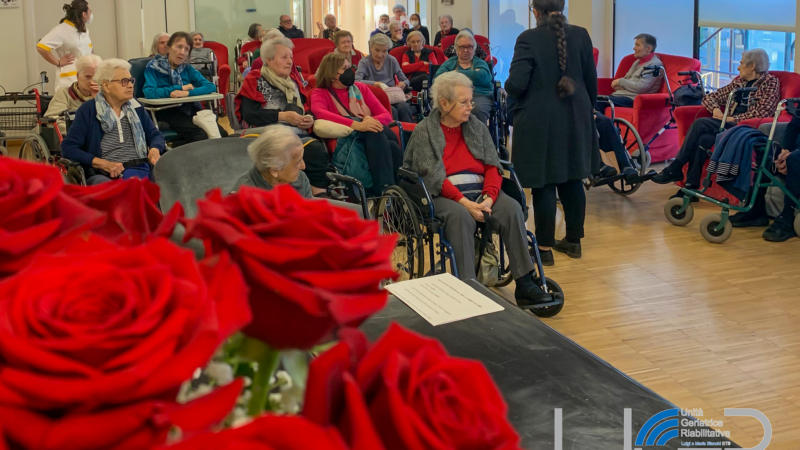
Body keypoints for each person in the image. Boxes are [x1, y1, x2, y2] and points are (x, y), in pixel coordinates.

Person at [402, 71, 550, 305]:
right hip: (443, 193)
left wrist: (489, 198)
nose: (471, 106)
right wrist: (464, 201)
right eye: (464, 102)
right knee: (460, 218)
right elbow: (432, 176)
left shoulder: (476, 127)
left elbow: (493, 165)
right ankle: (468, 286)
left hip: (482, 191)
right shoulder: (425, 131)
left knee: (511, 208)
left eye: (471, 101)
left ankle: (524, 282)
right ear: (444, 103)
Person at [505, 0, 599, 266]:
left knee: (544, 183)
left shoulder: (528, 38)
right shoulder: (581, 34)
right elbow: (591, 81)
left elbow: (518, 82)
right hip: (576, 116)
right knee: (572, 178)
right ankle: (573, 241)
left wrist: (508, 88)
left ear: (535, 10)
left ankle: (544, 248)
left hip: (539, 120)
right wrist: (583, 110)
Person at [652, 48, 780, 199]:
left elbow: (764, 112)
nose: (738, 68)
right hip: (729, 125)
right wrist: (715, 110)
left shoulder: (770, 82)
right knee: (702, 140)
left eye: (741, 63)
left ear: (752, 66)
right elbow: (709, 97)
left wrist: (732, 119)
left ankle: (676, 166)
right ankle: (691, 188)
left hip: (746, 129)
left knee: (700, 124)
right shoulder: (739, 82)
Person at [235, 37, 329, 195]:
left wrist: (308, 118)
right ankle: (315, 195)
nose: (290, 61)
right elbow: (250, 115)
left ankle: (317, 197)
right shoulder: (255, 79)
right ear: (269, 60)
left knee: (317, 147)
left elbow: (306, 108)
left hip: (297, 133)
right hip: (268, 135)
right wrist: (283, 116)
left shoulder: (293, 82)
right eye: (284, 57)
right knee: (313, 150)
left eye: (291, 57)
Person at [61, 59, 165, 185]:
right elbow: (68, 148)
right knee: (110, 190)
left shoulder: (136, 107)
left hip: (140, 168)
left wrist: (154, 149)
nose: (131, 85)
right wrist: (103, 164)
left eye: (131, 81)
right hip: (104, 173)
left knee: (170, 182)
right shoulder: (89, 110)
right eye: (124, 81)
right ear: (106, 85)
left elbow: (155, 135)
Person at [311, 52, 402, 193]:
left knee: (391, 145)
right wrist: (357, 124)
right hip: (343, 138)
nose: (350, 71)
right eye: (344, 69)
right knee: (375, 132)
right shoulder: (320, 93)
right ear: (332, 73)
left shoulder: (361, 88)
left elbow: (386, 115)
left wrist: (368, 119)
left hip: (372, 134)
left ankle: (392, 192)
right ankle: (386, 191)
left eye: (350, 67)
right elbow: (320, 113)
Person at [143, 31, 229, 144]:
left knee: (223, 134)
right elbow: (149, 92)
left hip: (189, 108)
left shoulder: (187, 68)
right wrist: (179, 89)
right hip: (167, 111)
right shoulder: (153, 67)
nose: (182, 52)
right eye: (179, 47)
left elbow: (210, 86)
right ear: (168, 48)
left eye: (186, 49)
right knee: (201, 136)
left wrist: (188, 93)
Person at [726, 115, 800, 242]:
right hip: (794, 151)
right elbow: (794, 125)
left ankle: (787, 218)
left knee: (794, 159)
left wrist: (792, 155)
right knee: (767, 150)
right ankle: (756, 210)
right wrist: (784, 152)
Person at [232, 125, 313, 198]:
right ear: (274, 170)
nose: (303, 166)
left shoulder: (300, 179)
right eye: (297, 163)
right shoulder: (242, 198)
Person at [434, 31, 493, 124]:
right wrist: (473, 74)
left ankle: (478, 137)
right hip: (453, 97)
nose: (465, 50)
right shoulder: (450, 63)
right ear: (456, 48)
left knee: (476, 109)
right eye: (462, 47)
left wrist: (453, 73)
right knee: (444, 108)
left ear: (474, 48)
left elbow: (483, 77)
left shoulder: (480, 63)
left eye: (469, 47)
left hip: (478, 95)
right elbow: (437, 79)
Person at [356, 33, 414, 123]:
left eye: (384, 51)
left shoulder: (391, 60)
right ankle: (396, 135)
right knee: (392, 111)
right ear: (370, 48)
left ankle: (410, 135)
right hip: (375, 97)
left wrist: (404, 83)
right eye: (377, 50)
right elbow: (357, 81)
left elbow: (405, 79)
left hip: (392, 96)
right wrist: (377, 84)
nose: (380, 54)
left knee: (405, 108)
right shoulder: (364, 62)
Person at [36, 0, 94, 90]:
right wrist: (58, 62)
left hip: (85, 78)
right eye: (90, 11)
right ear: (84, 14)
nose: (91, 14)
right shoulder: (61, 30)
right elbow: (41, 47)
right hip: (69, 80)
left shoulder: (83, 30)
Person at [45, 54, 101, 134]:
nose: (92, 82)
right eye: (87, 77)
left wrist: (97, 99)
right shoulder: (64, 93)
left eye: (95, 77)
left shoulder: (105, 94)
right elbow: (51, 119)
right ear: (77, 76)